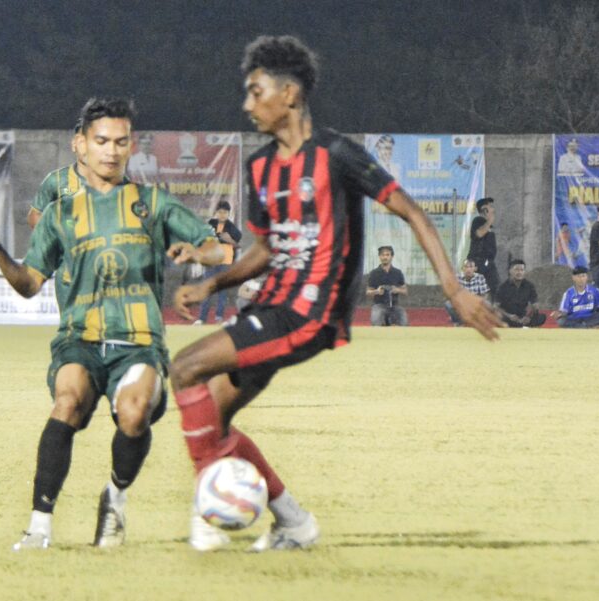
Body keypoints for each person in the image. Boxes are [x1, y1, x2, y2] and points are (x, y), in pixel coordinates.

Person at [167, 35, 500, 553]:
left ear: (291, 94)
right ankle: (294, 522)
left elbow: (412, 212)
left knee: (185, 368)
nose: (247, 105)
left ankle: (208, 517)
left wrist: (453, 289)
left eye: (257, 93)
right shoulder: (259, 168)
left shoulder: (337, 155)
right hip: (271, 307)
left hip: (311, 314)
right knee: (214, 412)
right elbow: (267, 249)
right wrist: (211, 281)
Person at [0, 97, 222, 551]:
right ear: (80, 145)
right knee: (68, 401)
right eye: (101, 141)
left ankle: (115, 498)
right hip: (79, 339)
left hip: (139, 342)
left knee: (134, 413)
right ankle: (39, 525)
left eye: (120, 142)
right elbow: (28, 283)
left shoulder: (152, 203)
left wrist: (199, 253)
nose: (111, 151)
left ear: (131, 146)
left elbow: (219, 249)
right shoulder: (59, 213)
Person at [27, 120, 88, 230]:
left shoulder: (118, 182)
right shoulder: (56, 180)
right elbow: (35, 215)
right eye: (83, 141)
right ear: (74, 145)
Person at [195, 200, 243, 324]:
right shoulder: (210, 224)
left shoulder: (232, 227)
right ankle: (201, 318)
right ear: (215, 213)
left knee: (222, 291)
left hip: (225, 262)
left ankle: (219, 317)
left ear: (229, 214)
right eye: (220, 212)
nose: (222, 215)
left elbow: (237, 240)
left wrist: (227, 239)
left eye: (225, 212)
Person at [494, 260, 546, 328]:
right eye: (516, 270)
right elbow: (496, 307)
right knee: (498, 317)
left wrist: (528, 317)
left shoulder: (529, 286)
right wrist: (509, 315)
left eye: (522, 270)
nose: (519, 272)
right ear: (510, 271)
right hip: (508, 317)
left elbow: (535, 304)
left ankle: (522, 324)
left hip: (523, 316)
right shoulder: (502, 287)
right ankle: (521, 326)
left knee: (541, 317)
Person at [366, 245, 408, 326]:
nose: (385, 257)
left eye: (387, 255)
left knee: (403, 318)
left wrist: (397, 290)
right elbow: (368, 292)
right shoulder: (374, 273)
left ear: (392, 257)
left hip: (395, 305)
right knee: (376, 319)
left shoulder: (397, 272)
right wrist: (376, 291)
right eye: (383, 255)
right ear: (379, 256)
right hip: (379, 305)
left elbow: (405, 291)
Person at [468, 197, 499, 300]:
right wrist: (489, 220)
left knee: (494, 288)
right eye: (490, 207)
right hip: (478, 261)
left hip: (488, 262)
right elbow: (479, 234)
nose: (493, 209)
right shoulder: (478, 220)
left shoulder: (488, 225)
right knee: (477, 290)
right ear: (484, 209)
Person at [445, 258, 489, 325]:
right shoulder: (457, 278)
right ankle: (458, 321)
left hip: (475, 304)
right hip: (461, 304)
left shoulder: (480, 277)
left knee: (487, 304)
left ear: (475, 268)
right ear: (463, 269)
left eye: (471, 267)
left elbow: (485, 294)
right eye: (466, 267)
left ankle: (477, 320)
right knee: (448, 304)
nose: (468, 269)